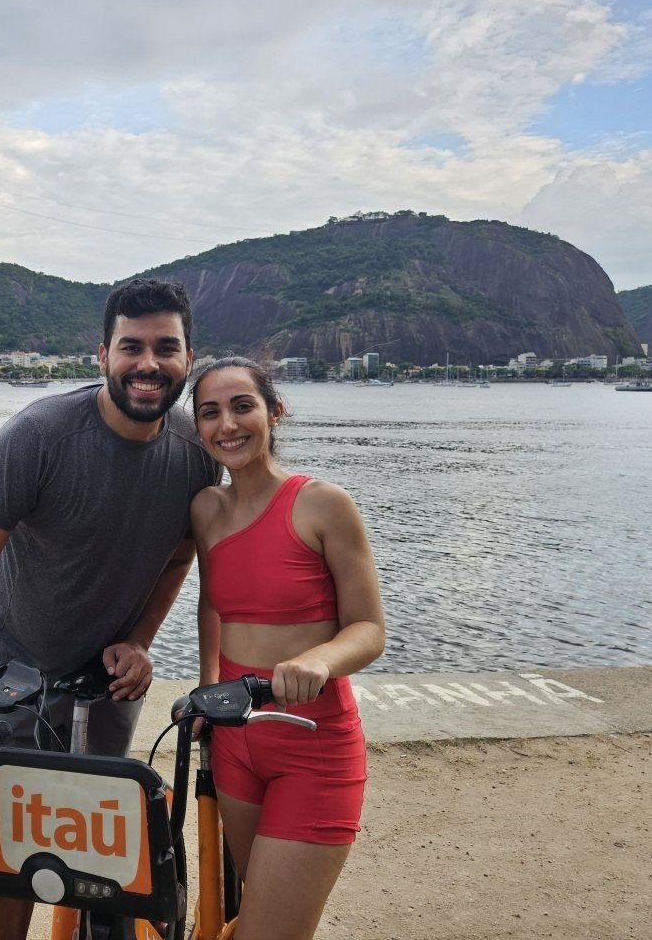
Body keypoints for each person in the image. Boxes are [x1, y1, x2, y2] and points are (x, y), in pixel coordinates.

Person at [0, 278, 220, 940]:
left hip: (109, 680)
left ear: (188, 358)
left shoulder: (197, 455)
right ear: (103, 355)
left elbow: (179, 558)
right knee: (14, 836)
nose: (148, 363)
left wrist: (141, 641)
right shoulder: (40, 435)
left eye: (165, 347)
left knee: (98, 828)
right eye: (131, 347)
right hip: (14, 671)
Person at [189, 357, 386, 940]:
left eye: (242, 406)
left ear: (274, 412)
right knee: (258, 913)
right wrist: (207, 687)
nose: (228, 424)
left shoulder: (323, 504)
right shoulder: (206, 509)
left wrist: (319, 659)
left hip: (313, 744)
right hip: (236, 741)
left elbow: (369, 628)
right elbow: (212, 604)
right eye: (210, 412)